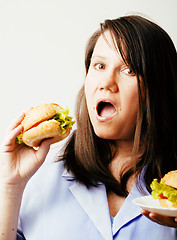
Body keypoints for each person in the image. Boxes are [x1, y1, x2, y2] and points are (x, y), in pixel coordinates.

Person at [0, 15, 177, 240]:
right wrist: (10, 185)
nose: (106, 83)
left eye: (129, 70)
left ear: (158, 88)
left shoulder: (173, 184)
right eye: (99, 66)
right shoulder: (39, 177)